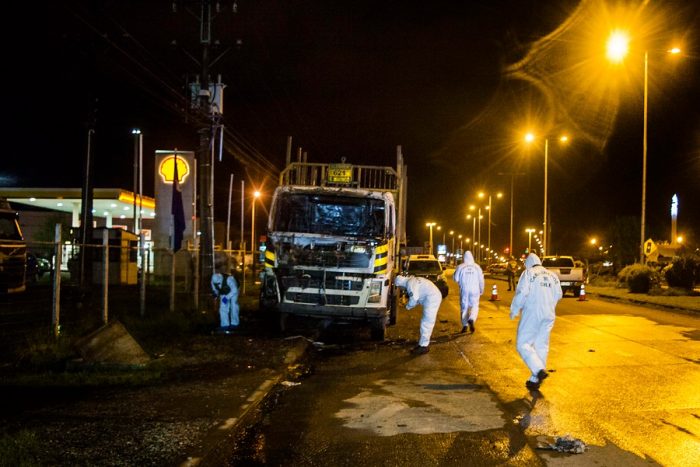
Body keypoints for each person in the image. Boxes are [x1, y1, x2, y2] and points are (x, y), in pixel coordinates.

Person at [509, 253, 562, 390]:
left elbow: (522, 293)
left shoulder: (528, 273)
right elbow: (559, 294)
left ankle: (538, 369)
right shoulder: (553, 276)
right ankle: (535, 379)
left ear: (528, 263)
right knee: (541, 345)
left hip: (532, 313)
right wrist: (550, 305)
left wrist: (514, 309)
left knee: (523, 344)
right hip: (549, 314)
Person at [394, 274, 443, 355]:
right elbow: (418, 296)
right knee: (425, 322)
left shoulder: (410, 284)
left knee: (426, 322)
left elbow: (414, 299)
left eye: (400, 287)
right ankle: (422, 344)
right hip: (432, 296)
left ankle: (424, 346)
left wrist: (407, 306)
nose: (402, 289)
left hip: (432, 298)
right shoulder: (412, 280)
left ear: (400, 284)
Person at [452, 251, 484, 333]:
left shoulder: (460, 267)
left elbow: (456, 279)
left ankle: (465, 325)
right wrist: (481, 289)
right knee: (475, 306)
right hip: (475, 289)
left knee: (464, 307)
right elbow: (481, 280)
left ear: (464, 258)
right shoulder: (477, 267)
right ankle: (472, 319)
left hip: (464, 289)